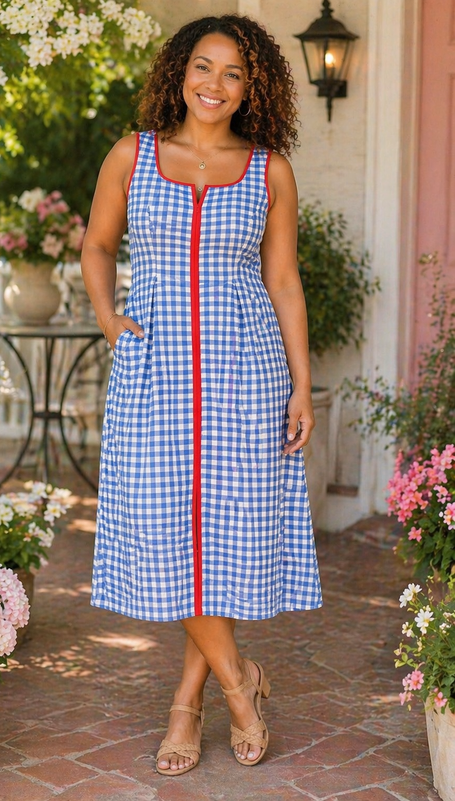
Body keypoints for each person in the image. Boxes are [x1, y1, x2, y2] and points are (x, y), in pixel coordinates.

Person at [81, 13, 322, 777]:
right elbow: (96, 242)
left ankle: (186, 704)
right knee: (162, 529)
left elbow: (283, 280)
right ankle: (240, 686)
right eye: (203, 68)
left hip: (243, 371)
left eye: (234, 73)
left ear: (253, 87)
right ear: (178, 73)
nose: (215, 85)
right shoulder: (133, 154)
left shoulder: (268, 169)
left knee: (217, 541)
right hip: (152, 370)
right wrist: (108, 319)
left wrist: (301, 383)